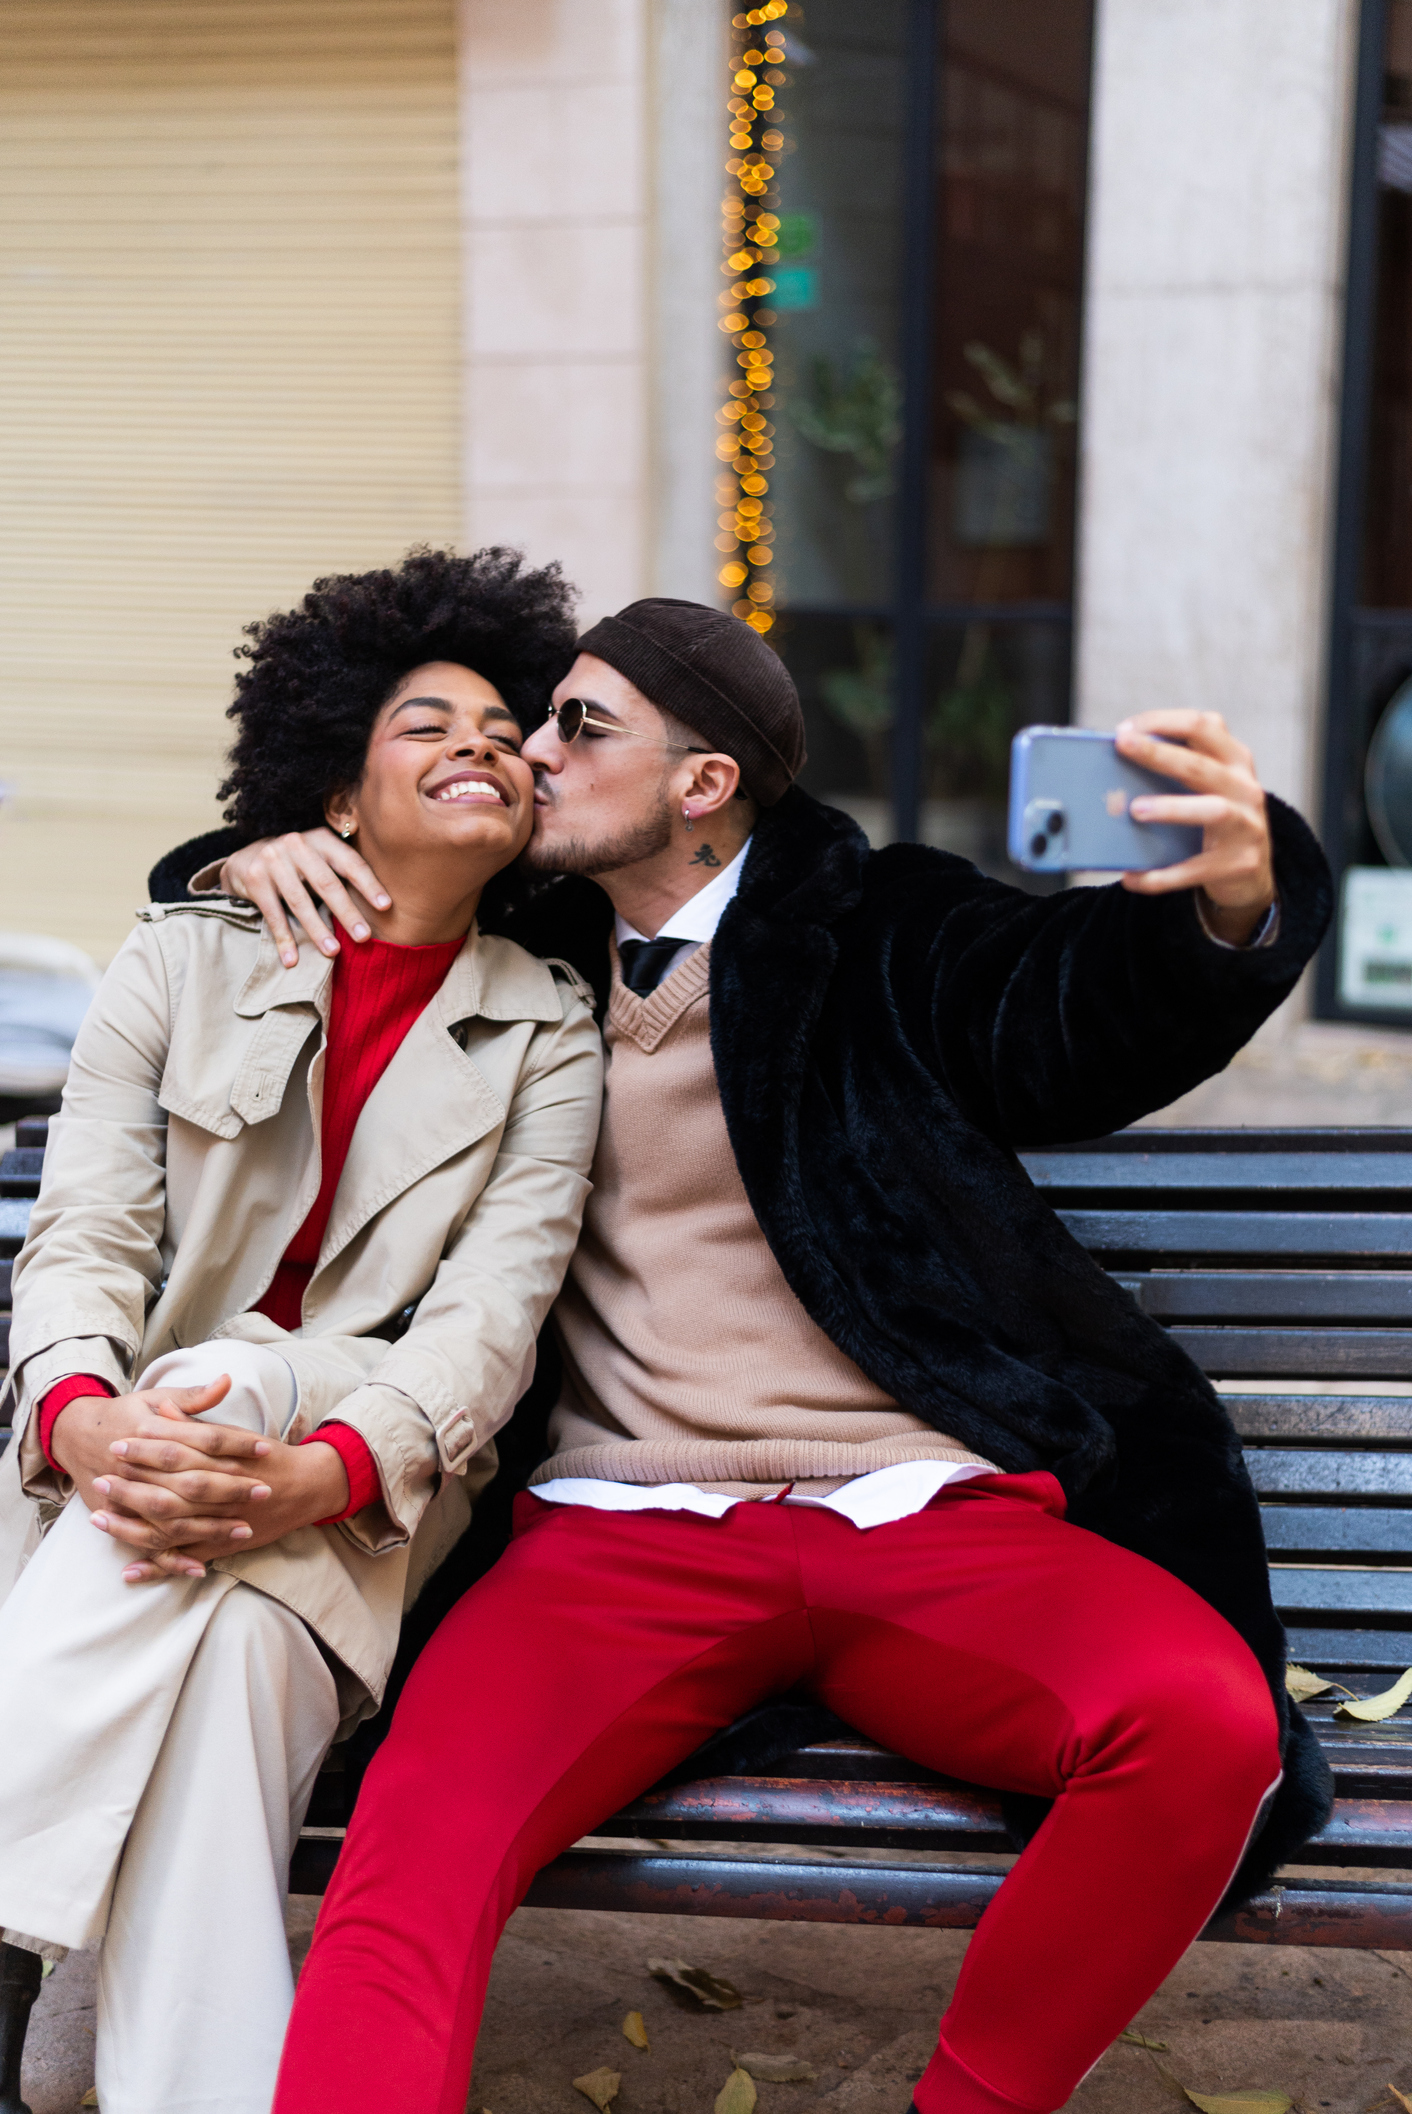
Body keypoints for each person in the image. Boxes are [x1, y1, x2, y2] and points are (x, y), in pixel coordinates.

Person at [149, 599, 1333, 2114]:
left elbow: (1072, 1004)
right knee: (410, 1849)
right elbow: (294, 913)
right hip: (614, 1538)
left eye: (580, 727)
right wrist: (236, 867)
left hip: (921, 1514)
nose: (529, 753)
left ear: (701, 784)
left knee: (1206, 1724)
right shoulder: (520, 935)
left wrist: (1228, 900)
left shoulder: (884, 922)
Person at [0, 548, 604, 2114]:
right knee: (243, 1664)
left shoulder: (549, 1027)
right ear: (334, 795)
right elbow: (84, 1237)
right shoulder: (181, 957)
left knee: (226, 1373)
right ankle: (118, 2044)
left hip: (366, 1482)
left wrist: (320, 1470)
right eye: (427, 723)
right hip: (125, 1464)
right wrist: (78, 1418)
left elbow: (487, 1323)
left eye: (503, 727)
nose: (481, 741)